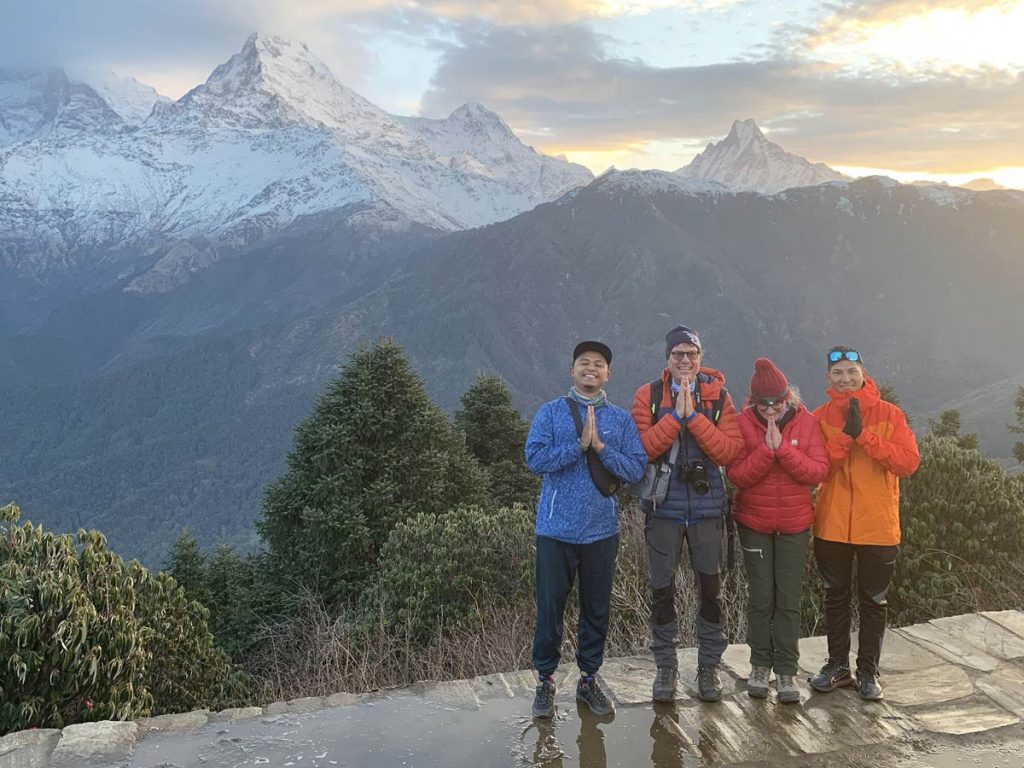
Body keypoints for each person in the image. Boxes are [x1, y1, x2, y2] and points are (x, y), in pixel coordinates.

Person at [525, 340, 648, 718]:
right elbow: (534, 458)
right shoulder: (550, 413)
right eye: (583, 363)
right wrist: (577, 448)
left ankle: (588, 680)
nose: (590, 368)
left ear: (607, 373)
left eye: (598, 364)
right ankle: (545, 682)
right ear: (572, 370)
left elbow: (634, 469)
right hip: (555, 530)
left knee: (596, 609)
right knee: (550, 609)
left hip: (601, 531)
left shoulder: (621, 420)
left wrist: (600, 448)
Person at [631, 325, 743, 703]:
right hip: (663, 510)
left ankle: (708, 667)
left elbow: (729, 452)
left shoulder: (719, 398)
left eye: (691, 354)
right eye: (677, 354)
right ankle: (666, 668)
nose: (684, 360)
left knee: (710, 593)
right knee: (662, 592)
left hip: (707, 510)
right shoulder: (647, 396)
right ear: (667, 358)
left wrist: (693, 417)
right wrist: (674, 418)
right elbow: (642, 449)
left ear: (700, 358)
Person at [808, 346, 920, 701]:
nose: (845, 379)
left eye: (850, 372)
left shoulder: (889, 414)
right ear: (828, 378)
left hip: (878, 525)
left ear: (863, 373)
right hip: (832, 523)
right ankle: (837, 666)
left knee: (874, 600)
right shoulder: (820, 416)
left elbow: (907, 462)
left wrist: (865, 437)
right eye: (837, 373)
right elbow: (818, 468)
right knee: (835, 598)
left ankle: (868, 672)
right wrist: (845, 437)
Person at [726, 358, 828, 704]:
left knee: (787, 598)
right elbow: (736, 475)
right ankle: (759, 665)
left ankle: (786, 669)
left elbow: (817, 472)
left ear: (789, 397)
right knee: (760, 598)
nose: (771, 409)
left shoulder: (807, 422)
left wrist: (781, 449)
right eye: (764, 403)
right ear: (753, 401)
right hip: (754, 523)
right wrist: (768, 454)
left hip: (794, 525)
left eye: (778, 402)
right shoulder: (741, 423)